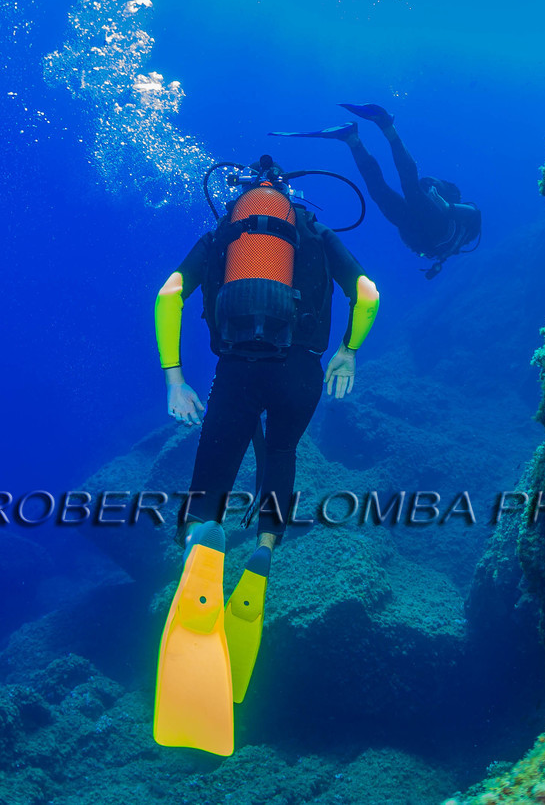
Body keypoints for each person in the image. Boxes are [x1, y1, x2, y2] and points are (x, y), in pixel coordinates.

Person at [150, 155, 379, 756]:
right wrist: (347, 354)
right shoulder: (316, 233)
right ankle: (266, 551)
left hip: (237, 372)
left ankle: (204, 547)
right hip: (301, 372)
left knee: (212, 481)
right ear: (292, 195)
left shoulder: (224, 233)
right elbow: (368, 293)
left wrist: (174, 378)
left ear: (241, 192)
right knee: (280, 449)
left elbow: (170, 292)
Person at [272, 103, 481, 278]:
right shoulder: (461, 231)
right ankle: (386, 126)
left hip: (415, 227)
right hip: (436, 226)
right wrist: (448, 208)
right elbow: (474, 213)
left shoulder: (449, 242)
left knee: (381, 194)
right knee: (410, 188)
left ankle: (352, 139)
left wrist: (446, 208)